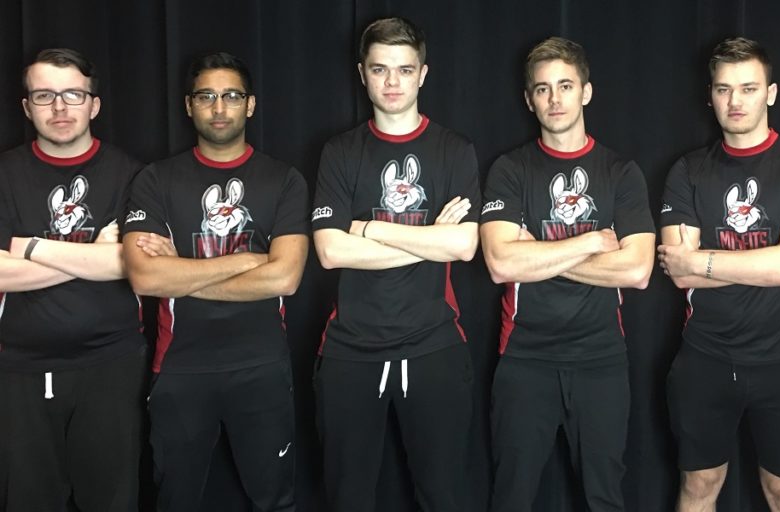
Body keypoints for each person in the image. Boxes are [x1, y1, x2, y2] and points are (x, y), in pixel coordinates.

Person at [122, 52, 308, 512]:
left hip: (262, 367)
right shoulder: (155, 180)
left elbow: (285, 276)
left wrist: (180, 274)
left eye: (231, 96)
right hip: (181, 369)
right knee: (175, 501)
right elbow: (145, 277)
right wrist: (247, 260)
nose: (219, 107)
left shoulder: (283, 179)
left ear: (250, 104)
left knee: (275, 501)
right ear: (189, 105)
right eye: (206, 96)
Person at [310, 17, 479, 512]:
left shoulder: (453, 150)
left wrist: (368, 228)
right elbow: (330, 251)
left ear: (422, 74)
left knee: (443, 497)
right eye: (380, 69)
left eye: (404, 70)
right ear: (362, 74)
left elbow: (464, 246)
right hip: (350, 351)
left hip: (434, 346)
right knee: (348, 499)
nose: (392, 82)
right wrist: (431, 239)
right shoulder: (341, 152)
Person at [479, 36, 655, 512]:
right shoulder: (510, 170)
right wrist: (592, 242)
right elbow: (500, 263)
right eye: (542, 89)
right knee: (511, 498)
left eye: (565, 86)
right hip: (524, 360)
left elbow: (638, 269)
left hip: (601, 360)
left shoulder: (621, 172)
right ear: (529, 100)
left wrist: (536, 252)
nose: (554, 99)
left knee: (604, 499)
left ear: (586, 92)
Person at [657, 37, 780, 512]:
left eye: (748, 88)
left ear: (770, 93)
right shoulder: (688, 170)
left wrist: (702, 260)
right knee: (698, 488)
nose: (735, 101)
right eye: (724, 89)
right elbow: (679, 273)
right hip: (704, 358)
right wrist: (762, 263)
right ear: (710, 96)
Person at [0, 48, 148, 512]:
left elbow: (129, 264)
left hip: (112, 364)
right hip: (20, 369)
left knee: (111, 501)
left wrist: (28, 246)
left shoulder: (131, 175)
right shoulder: (4, 174)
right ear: (27, 107)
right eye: (44, 95)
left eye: (73, 95)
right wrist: (92, 254)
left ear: (94, 104)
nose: (60, 107)